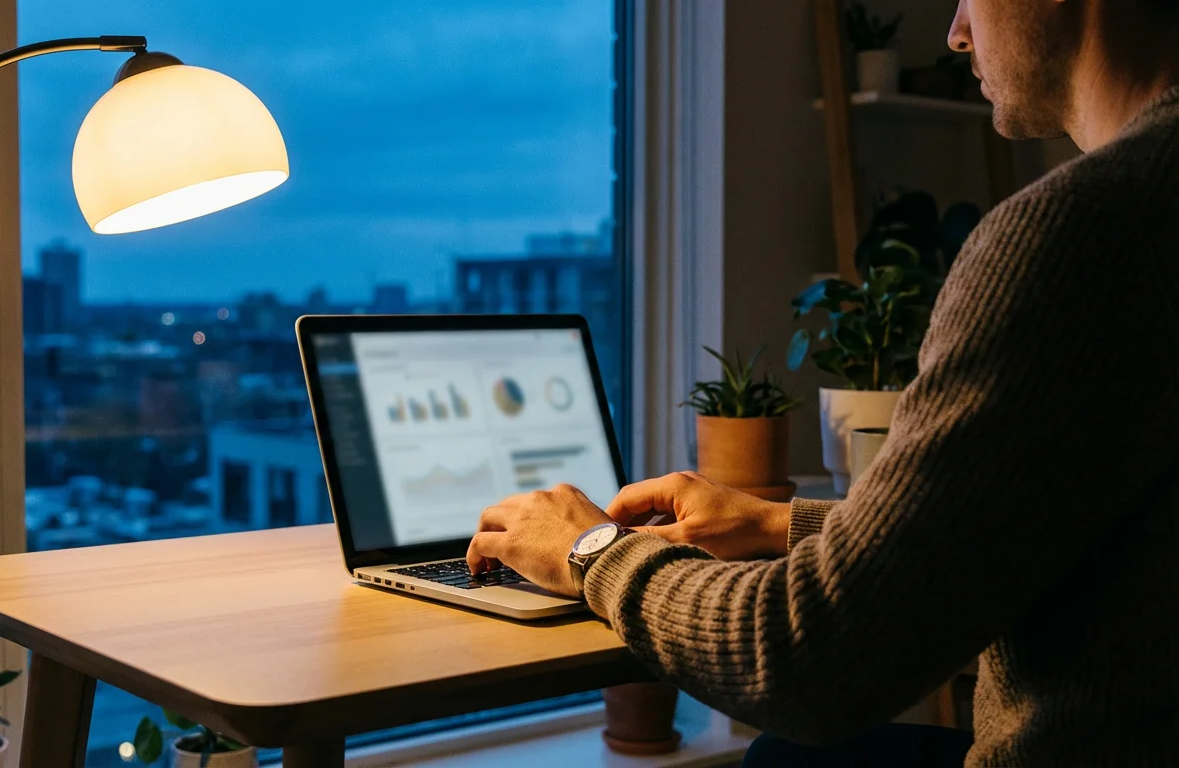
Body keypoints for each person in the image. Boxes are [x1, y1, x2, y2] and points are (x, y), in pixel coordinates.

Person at [465, 0, 1179, 764]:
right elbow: (1018, 523)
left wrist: (592, 550)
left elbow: (817, 660)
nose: (956, 31)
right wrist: (780, 526)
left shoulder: (1083, 233)